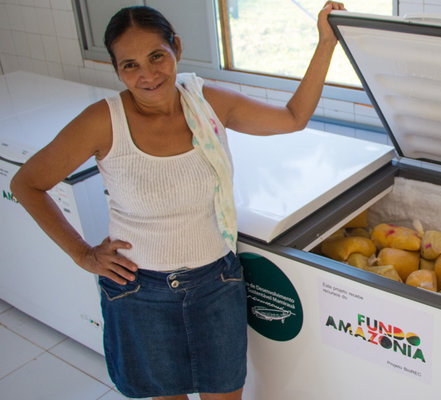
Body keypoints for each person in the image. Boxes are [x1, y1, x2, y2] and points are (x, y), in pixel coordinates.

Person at [10, 2, 345, 399]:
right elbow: (26, 183)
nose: (148, 74)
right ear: (115, 69)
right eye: (129, 65)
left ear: (177, 49)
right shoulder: (103, 121)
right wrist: (83, 254)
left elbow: (293, 117)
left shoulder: (206, 103)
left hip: (215, 283)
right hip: (140, 291)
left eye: (156, 56)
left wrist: (326, 42)